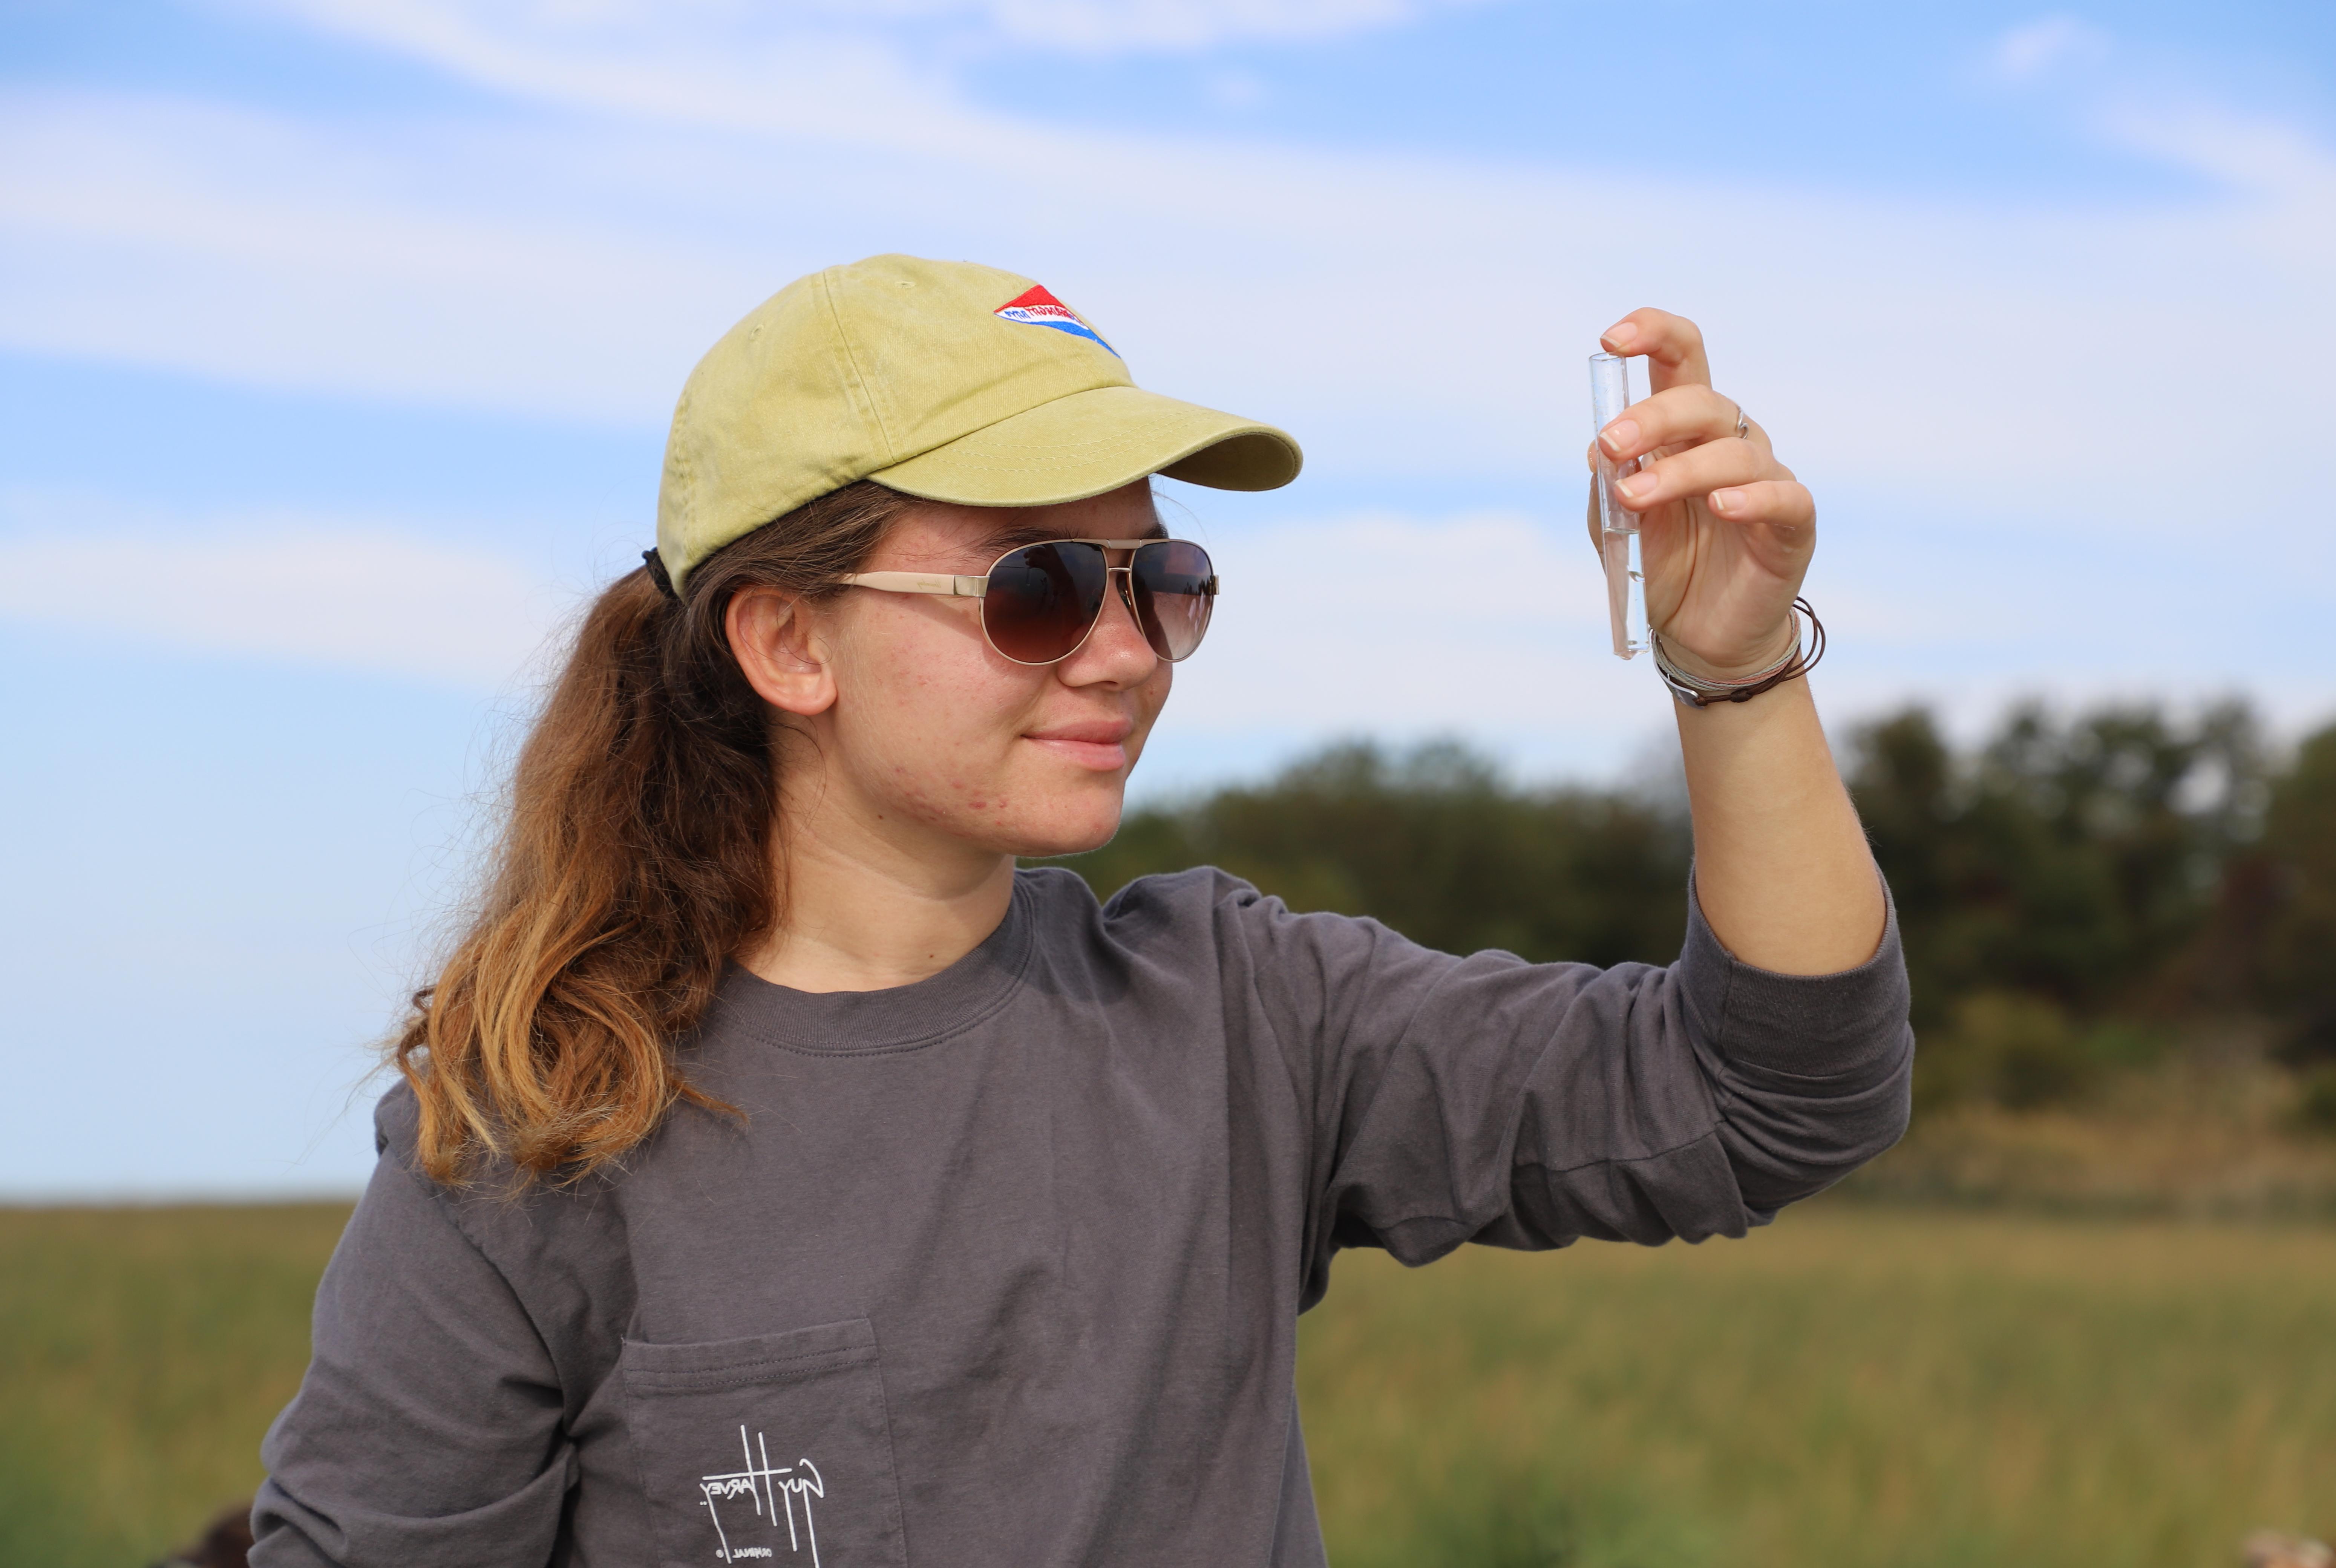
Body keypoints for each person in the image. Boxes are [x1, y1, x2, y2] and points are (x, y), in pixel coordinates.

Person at [252, 254, 1909, 1567]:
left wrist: (1737, 665)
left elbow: (1771, 1091)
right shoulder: (543, 1125)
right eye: (1035, 586)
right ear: (786, 645)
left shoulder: (1239, 1009)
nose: (1124, 649)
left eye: (1159, 577)